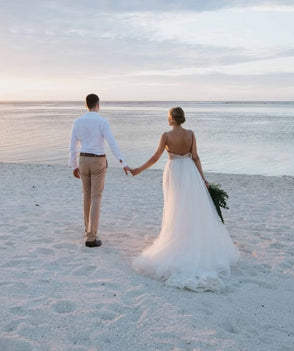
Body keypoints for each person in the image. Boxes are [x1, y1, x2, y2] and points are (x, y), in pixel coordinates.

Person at [130, 107, 239, 292]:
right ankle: (189, 239)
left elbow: (156, 157)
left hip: (174, 171)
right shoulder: (191, 134)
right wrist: (203, 179)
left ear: (171, 118)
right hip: (189, 171)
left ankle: (178, 239)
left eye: (168, 116)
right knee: (190, 207)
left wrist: (138, 170)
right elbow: (195, 157)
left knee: (176, 207)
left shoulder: (166, 135)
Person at [69, 94, 130, 247]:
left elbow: (72, 146)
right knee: (96, 196)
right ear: (98, 105)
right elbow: (111, 142)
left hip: (83, 159)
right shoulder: (102, 121)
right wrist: (122, 162)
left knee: (86, 195)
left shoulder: (78, 122)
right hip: (98, 160)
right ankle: (91, 236)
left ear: (86, 105)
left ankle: (86, 229)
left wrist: (73, 164)